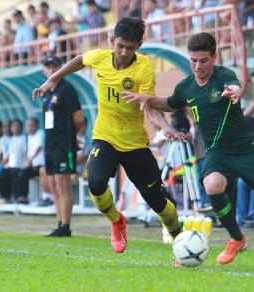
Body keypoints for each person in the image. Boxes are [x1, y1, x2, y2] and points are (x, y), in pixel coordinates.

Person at [123, 32, 254, 269]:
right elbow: (170, 103)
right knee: (211, 185)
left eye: (203, 60)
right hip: (217, 151)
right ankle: (236, 238)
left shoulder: (223, 75)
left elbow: (235, 84)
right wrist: (147, 98)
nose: (197, 66)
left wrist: (235, 91)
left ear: (214, 57)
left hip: (247, 149)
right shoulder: (186, 87)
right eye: (193, 60)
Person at [33, 17, 185, 254]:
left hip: (134, 143)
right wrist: (54, 77)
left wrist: (165, 127)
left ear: (139, 46)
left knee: (158, 202)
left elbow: (150, 105)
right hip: (105, 136)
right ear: (111, 40)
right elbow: (78, 60)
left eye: (130, 48)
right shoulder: (99, 57)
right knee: (95, 183)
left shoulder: (143, 68)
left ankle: (178, 238)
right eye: (120, 45)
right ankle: (117, 222)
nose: (124, 52)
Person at [37, 55, 85, 237]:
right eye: (48, 67)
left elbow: (79, 118)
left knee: (62, 183)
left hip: (63, 145)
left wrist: (70, 138)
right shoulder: (47, 92)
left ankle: (66, 226)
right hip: (49, 145)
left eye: (54, 66)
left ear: (60, 68)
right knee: (53, 184)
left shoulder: (67, 89)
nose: (51, 70)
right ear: (44, 70)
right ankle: (59, 223)